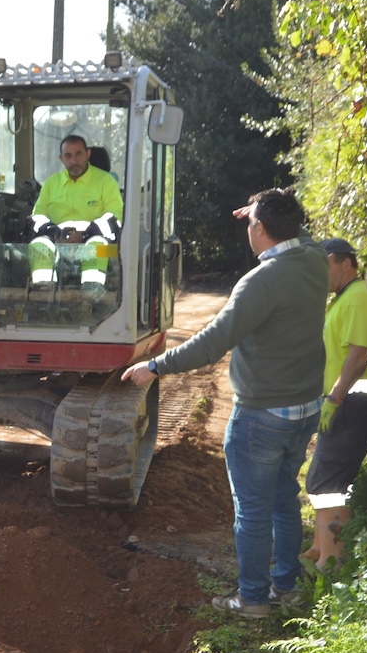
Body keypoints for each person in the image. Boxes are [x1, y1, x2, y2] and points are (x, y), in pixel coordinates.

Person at [120, 187, 328, 618]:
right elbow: (299, 232)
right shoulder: (314, 259)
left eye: (253, 223)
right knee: (284, 498)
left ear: (260, 230)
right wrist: (264, 207)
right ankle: (285, 588)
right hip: (305, 408)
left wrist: (155, 366)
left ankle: (252, 599)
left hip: (262, 415)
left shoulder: (260, 281)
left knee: (252, 511)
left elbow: (213, 342)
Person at [303, 237, 367, 568]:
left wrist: (334, 398)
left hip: (350, 403)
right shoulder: (344, 299)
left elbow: (358, 356)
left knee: (329, 483)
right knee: (321, 480)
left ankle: (333, 563)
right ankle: (321, 550)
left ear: (343, 263)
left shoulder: (357, 301)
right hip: (344, 401)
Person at [31, 134, 124, 234]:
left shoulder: (107, 182)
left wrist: (86, 234)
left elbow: (114, 218)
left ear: (88, 155)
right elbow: (37, 216)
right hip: (57, 243)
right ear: (61, 158)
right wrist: (52, 232)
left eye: (79, 154)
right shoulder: (50, 184)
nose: (74, 161)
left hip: (95, 243)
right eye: (68, 156)